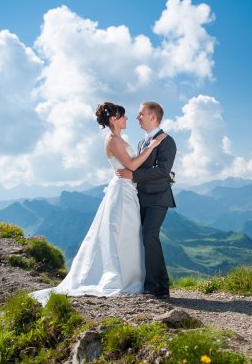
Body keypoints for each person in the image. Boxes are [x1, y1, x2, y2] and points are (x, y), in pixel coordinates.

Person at [31, 102, 166, 305]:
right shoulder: (113, 141)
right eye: (123, 116)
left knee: (128, 233)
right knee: (121, 232)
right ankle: (122, 279)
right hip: (122, 190)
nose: (127, 118)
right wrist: (152, 146)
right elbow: (132, 165)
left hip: (128, 189)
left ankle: (133, 278)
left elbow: (132, 166)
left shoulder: (120, 139)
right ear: (113, 119)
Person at [117, 102, 176, 299]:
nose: (137, 117)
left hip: (159, 197)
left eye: (141, 114)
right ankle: (150, 284)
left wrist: (132, 176)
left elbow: (162, 170)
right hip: (141, 198)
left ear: (153, 116)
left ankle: (159, 287)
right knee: (144, 239)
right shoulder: (143, 142)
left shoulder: (167, 141)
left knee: (149, 235)